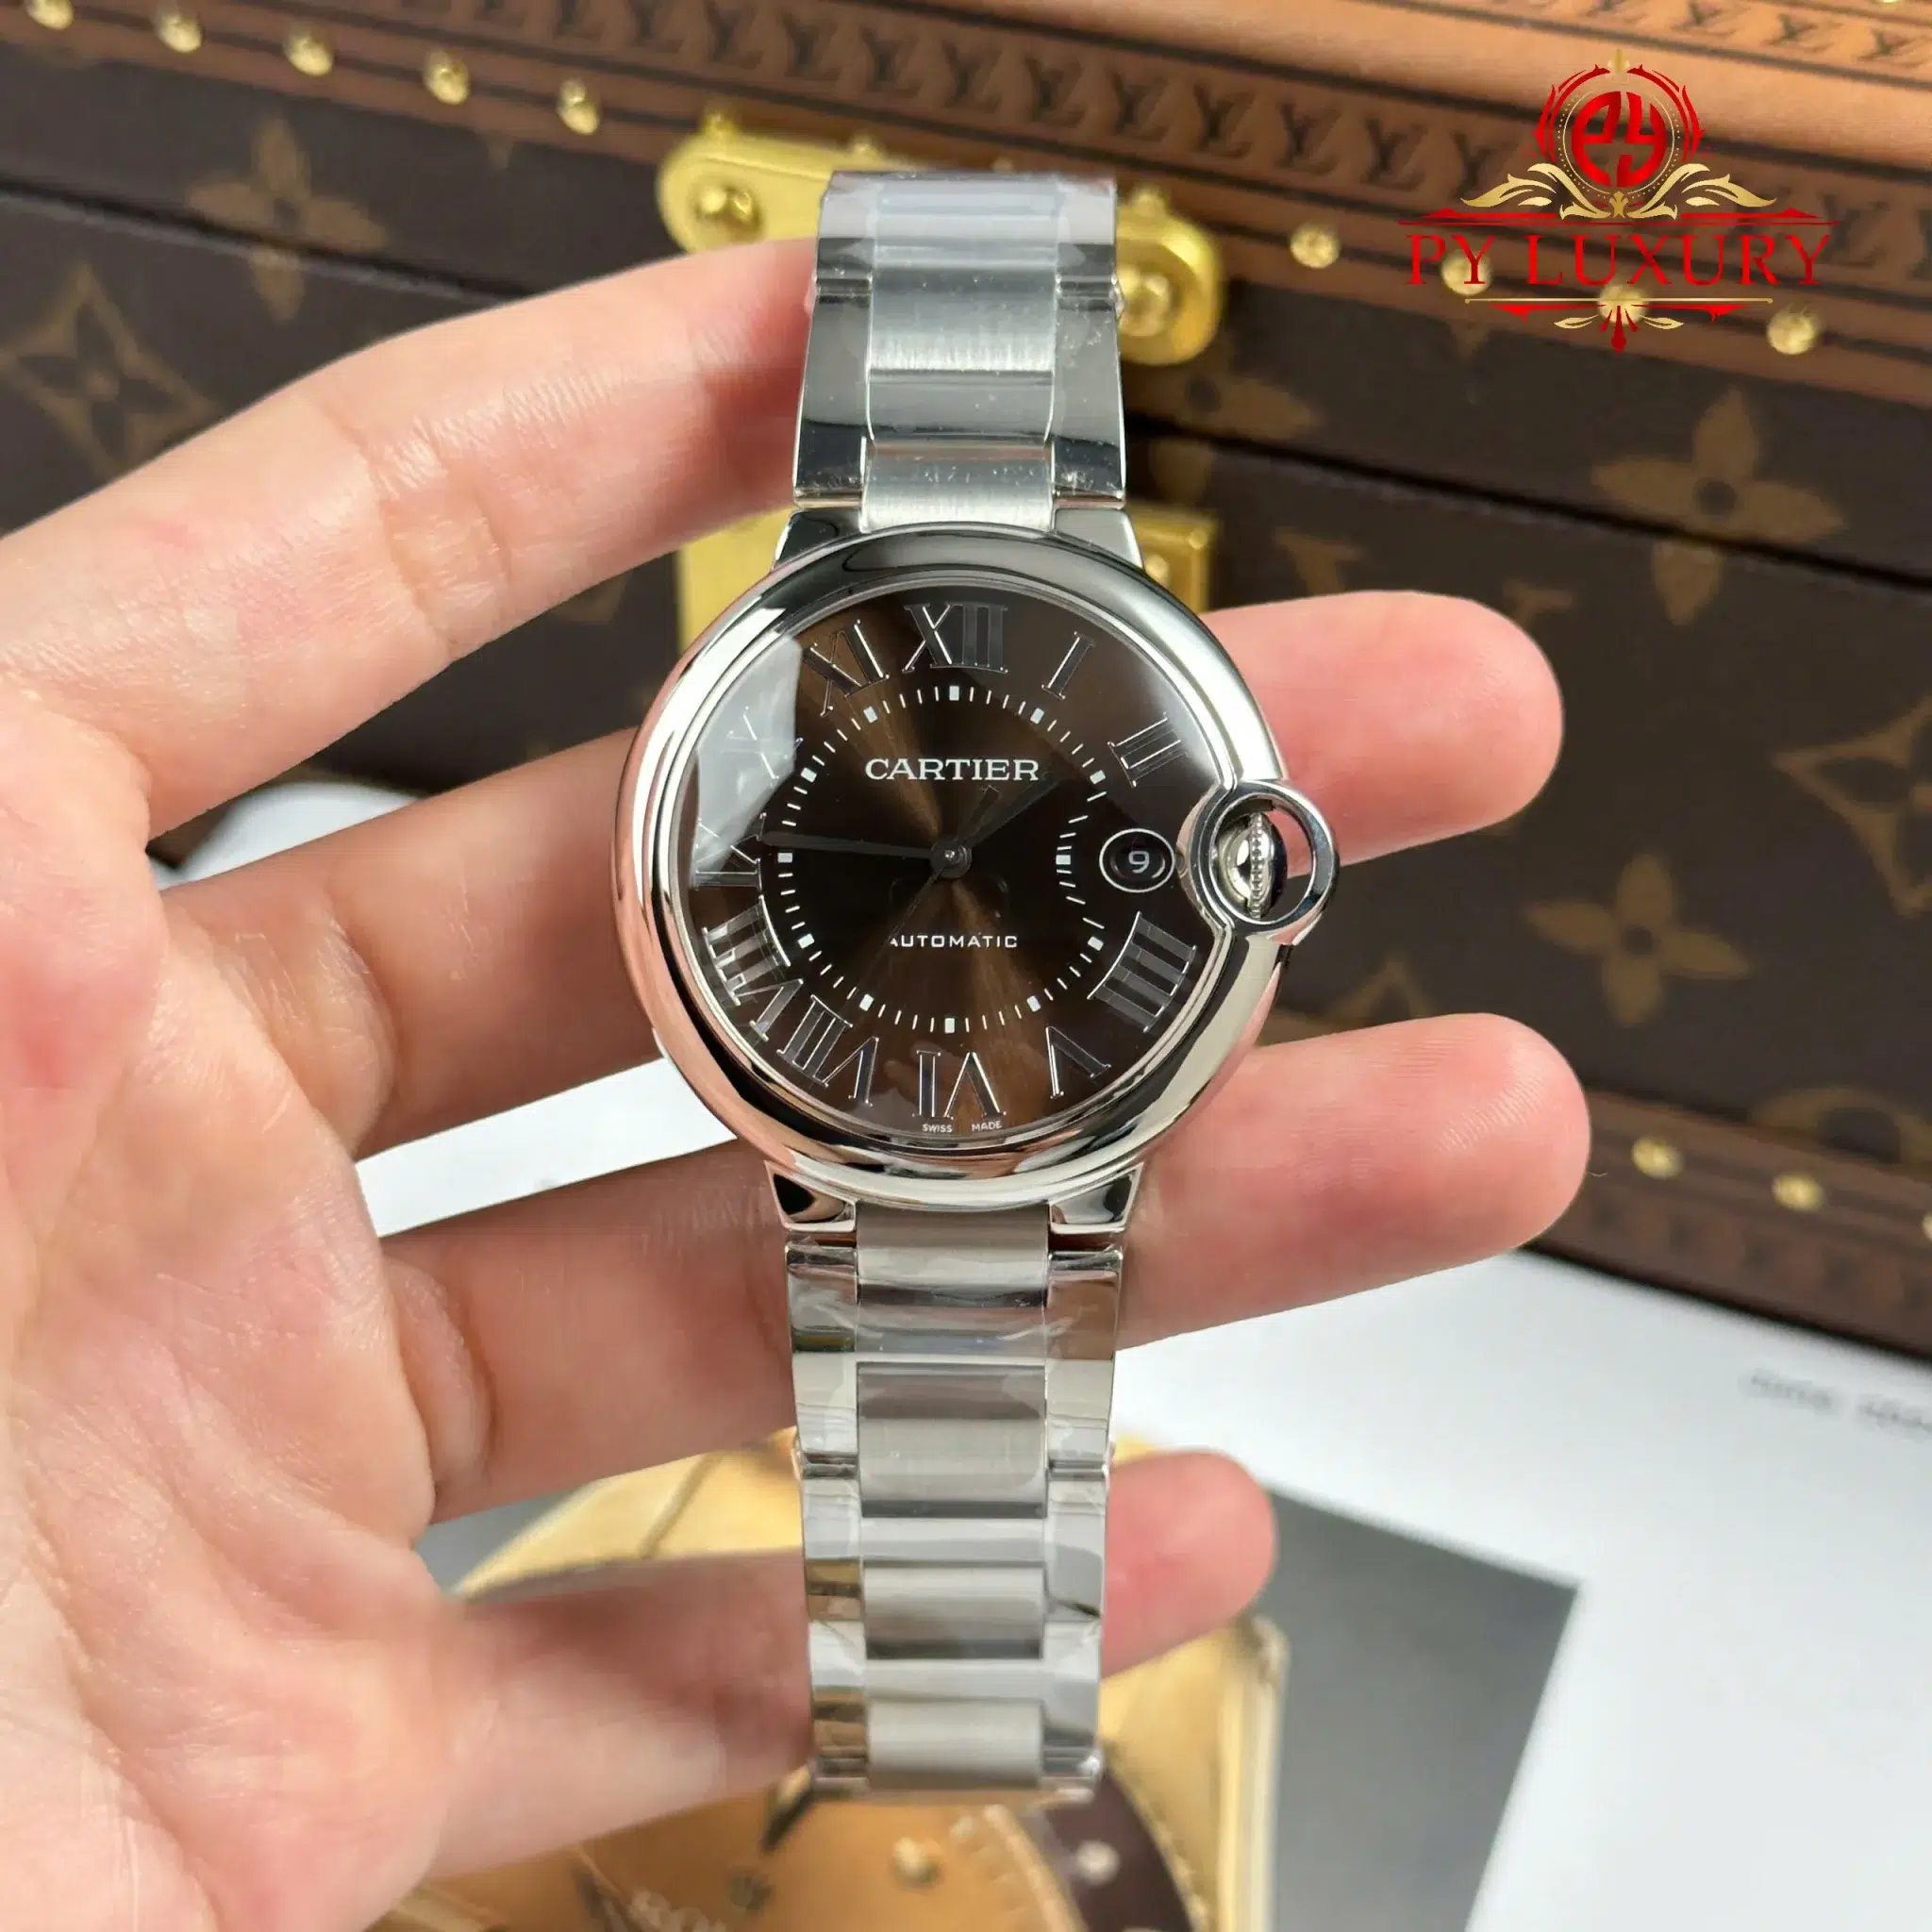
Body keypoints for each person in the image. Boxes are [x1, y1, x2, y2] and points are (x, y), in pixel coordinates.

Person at [0, 240, 1587, 1929]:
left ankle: (948, 1711)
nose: (957, 857)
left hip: (1021, 1142)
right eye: (926, 842)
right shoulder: (786, 793)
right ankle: (946, 1713)